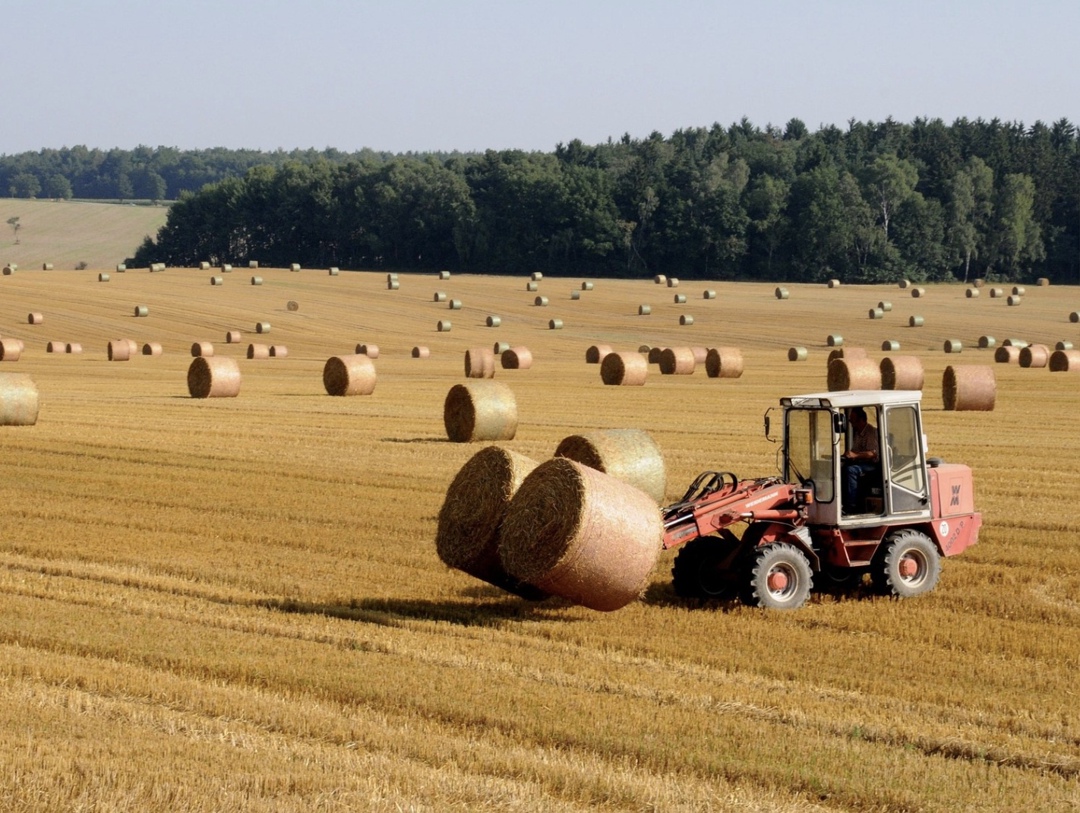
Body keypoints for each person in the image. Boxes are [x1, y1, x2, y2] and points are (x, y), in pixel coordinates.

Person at [842, 407, 879, 513]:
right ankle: (842, 500)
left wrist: (855, 455)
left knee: (851, 470)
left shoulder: (870, 432)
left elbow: (873, 454)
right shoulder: (858, 433)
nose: (850, 422)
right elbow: (855, 451)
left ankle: (851, 505)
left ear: (862, 420)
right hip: (862, 463)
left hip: (873, 465)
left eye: (852, 420)